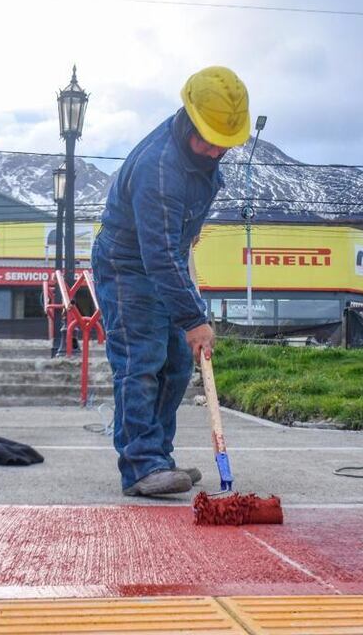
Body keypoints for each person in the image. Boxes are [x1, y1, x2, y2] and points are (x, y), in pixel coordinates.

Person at [92, 66, 251, 496]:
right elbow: (157, 253)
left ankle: (159, 457)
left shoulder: (201, 157)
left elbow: (170, 243)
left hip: (166, 259)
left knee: (178, 363)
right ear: (189, 119)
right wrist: (194, 319)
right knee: (141, 361)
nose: (215, 151)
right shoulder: (159, 168)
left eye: (223, 143)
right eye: (209, 140)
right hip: (128, 266)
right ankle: (141, 466)